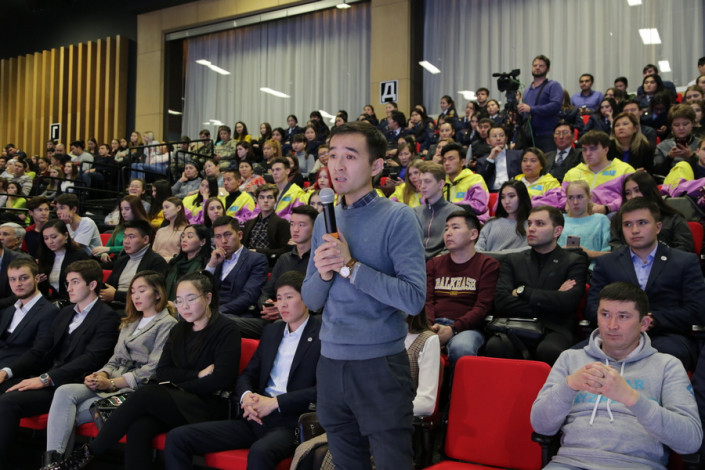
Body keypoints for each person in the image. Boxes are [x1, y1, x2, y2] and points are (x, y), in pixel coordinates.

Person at [302, 121, 426, 468]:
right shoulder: (325, 219)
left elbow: (413, 298)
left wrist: (351, 265)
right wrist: (325, 272)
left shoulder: (398, 217)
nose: (338, 166)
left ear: (375, 166)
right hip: (330, 362)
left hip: (379, 364)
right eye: (332, 156)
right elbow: (311, 300)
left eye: (350, 156)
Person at [48, 272, 241, 470]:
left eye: (191, 299)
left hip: (210, 405)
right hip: (178, 400)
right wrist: (196, 376)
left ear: (208, 298)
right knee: (139, 427)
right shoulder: (179, 329)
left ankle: (85, 455)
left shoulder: (226, 329)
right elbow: (164, 372)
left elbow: (221, 379)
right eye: (179, 300)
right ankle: (78, 458)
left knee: (147, 393)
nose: (184, 306)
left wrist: (180, 385)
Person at [531, 282, 702, 469]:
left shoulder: (667, 366)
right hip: (569, 462)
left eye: (623, 316)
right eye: (605, 315)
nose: (612, 325)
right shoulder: (570, 358)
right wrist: (569, 386)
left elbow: (690, 441)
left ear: (644, 323)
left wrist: (632, 398)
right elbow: (541, 426)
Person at [164, 271, 321, 470]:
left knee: (260, 452)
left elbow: (322, 389)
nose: (282, 304)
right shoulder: (272, 331)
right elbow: (248, 373)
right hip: (255, 415)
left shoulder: (322, 335)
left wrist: (275, 403)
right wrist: (246, 397)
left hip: (291, 422)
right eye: (279, 298)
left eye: (289, 297)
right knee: (178, 438)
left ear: (306, 298)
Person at [42, 271, 177, 466]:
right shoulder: (130, 321)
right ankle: (54, 464)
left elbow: (153, 369)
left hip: (135, 391)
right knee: (64, 391)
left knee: (68, 415)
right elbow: (115, 359)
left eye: (142, 291)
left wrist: (111, 383)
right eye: (132, 291)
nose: (136, 296)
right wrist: (100, 374)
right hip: (111, 381)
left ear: (158, 294)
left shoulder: (167, 324)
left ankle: (56, 465)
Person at [0, 260, 119, 467]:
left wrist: (45, 379)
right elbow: (40, 351)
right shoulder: (66, 312)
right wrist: (7, 372)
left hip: (74, 385)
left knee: (8, 402)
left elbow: (90, 359)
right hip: (51, 378)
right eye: (67, 283)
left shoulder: (107, 317)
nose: (69, 288)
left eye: (75, 282)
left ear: (92, 285)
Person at [587, 198, 705, 370]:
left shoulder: (684, 262)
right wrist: (622, 321)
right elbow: (592, 307)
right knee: (574, 357)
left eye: (642, 223)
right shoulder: (607, 263)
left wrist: (654, 319)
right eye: (628, 224)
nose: (634, 230)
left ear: (658, 227)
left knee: (661, 359)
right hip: (614, 335)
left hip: (666, 336)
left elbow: (697, 310)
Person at [487, 206, 588, 365]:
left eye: (540, 224)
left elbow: (568, 302)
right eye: (529, 223)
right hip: (516, 324)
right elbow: (501, 302)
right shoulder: (513, 260)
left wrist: (522, 292)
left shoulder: (574, 261)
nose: (531, 229)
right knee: (496, 346)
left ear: (557, 231)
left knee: (549, 350)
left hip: (556, 328)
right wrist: (553, 298)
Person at [426, 211, 499, 366]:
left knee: (462, 348)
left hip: (468, 328)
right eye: (446, 229)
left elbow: (482, 307)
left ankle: (456, 384)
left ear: (473, 234)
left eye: (455, 227)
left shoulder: (488, 265)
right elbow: (427, 301)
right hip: (433, 324)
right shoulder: (433, 264)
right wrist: (430, 328)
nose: (448, 233)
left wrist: (452, 329)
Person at [610, 172, 693, 253]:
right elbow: (615, 247)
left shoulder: (673, 218)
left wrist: (655, 258)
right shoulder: (618, 219)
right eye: (628, 193)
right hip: (628, 261)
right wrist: (638, 256)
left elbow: (684, 248)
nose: (633, 196)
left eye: (637, 190)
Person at [205, 216, 268, 319]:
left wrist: (216, 312)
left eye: (228, 234)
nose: (223, 241)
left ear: (239, 235)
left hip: (240, 315)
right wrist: (211, 266)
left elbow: (249, 296)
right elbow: (199, 289)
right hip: (213, 314)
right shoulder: (214, 260)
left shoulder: (256, 260)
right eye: (218, 236)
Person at [0, 258, 57, 367]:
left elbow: (39, 354)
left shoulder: (49, 312)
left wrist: (7, 371)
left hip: (18, 370)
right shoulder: (9, 310)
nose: (18, 284)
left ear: (36, 278)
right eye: (12, 279)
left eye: (24, 278)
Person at [562, 131, 635, 215]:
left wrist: (608, 207)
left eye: (593, 148)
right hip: (578, 215)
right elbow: (563, 197)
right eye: (584, 149)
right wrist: (568, 203)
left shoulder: (625, 170)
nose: (588, 153)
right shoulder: (572, 173)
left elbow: (633, 196)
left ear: (606, 149)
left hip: (611, 214)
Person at [100, 220, 169, 308]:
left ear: (145, 239)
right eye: (125, 236)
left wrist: (116, 295)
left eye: (131, 237)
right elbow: (109, 285)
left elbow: (152, 295)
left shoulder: (156, 262)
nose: (126, 241)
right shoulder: (122, 260)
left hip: (136, 309)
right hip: (113, 306)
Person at [413, 162, 460, 259]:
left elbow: (456, 246)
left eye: (427, 181)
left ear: (441, 184)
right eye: (420, 182)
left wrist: (438, 260)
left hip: (442, 263)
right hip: (414, 262)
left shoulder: (456, 213)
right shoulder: (415, 212)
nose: (422, 186)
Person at [517, 55, 564, 152]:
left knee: (548, 160)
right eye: (535, 65)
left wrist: (531, 109)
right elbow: (526, 113)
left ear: (548, 69)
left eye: (541, 66)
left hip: (547, 135)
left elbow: (555, 106)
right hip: (529, 135)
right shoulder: (527, 90)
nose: (537, 68)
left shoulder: (553, 85)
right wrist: (519, 113)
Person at [37, 220, 90, 301]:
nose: (50, 242)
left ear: (65, 235)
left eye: (54, 237)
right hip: (51, 301)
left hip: (74, 300)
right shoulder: (44, 256)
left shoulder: (79, 255)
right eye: (46, 238)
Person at [558, 181, 610, 264]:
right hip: (562, 267)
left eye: (580, 197)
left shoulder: (601, 220)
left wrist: (588, 253)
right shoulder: (559, 220)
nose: (575, 202)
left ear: (589, 198)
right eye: (571, 197)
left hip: (592, 268)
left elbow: (611, 255)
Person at [476, 180, 531, 253]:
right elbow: (478, 247)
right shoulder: (491, 222)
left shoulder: (531, 225)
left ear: (522, 197)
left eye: (511, 196)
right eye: (503, 197)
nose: (506, 201)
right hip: (489, 259)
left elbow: (531, 250)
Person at [243, 184, 291, 267]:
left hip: (270, 265)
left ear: (275, 200)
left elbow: (285, 251)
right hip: (248, 264)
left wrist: (258, 251)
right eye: (262, 197)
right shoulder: (249, 223)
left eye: (270, 197)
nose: (265, 200)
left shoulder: (282, 223)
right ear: (257, 200)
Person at [92, 195, 150, 264]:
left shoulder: (143, 226)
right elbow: (109, 244)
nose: (123, 212)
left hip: (132, 260)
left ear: (136, 209)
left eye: (127, 209)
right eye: (121, 209)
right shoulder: (120, 225)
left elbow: (134, 247)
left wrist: (109, 249)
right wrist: (105, 253)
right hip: (117, 259)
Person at [442, 143, 490, 222]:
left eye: (451, 159)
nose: (446, 163)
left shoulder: (475, 179)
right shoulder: (442, 184)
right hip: (447, 223)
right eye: (444, 160)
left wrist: (452, 206)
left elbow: (480, 206)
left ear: (462, 162)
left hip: (472, 221)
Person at [165, 224, 211, 301]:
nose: (184, 240)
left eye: (189, 236)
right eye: (183, 236)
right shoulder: (175, 262)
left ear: (202, 241)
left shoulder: (206, 264)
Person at [654, 104, 701, 176]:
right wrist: (669, 157)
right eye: (676, 125)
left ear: (692, 124)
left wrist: (691, 156)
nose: (681, 128)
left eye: (685, 124)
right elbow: (657, 174)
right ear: (671, 127)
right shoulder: (662, 147)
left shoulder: (701, 145)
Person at [475, 125, 524, 191]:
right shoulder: (482, 161)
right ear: (488, 140)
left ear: (506, 139)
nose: (498, 139)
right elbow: (480, 180)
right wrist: (491, 158)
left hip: (515, 190)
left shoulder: (518, 155)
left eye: (501, 135)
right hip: (492, 192)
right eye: (494, 136)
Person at [153, 197, 189, 262]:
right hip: (157, 264)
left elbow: (186, 255)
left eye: (167, 207)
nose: (164, 211)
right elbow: (154, 251)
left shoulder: (187, 230)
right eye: (163, 208)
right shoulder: (160, 231)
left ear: (178, 208)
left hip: (175, 264)